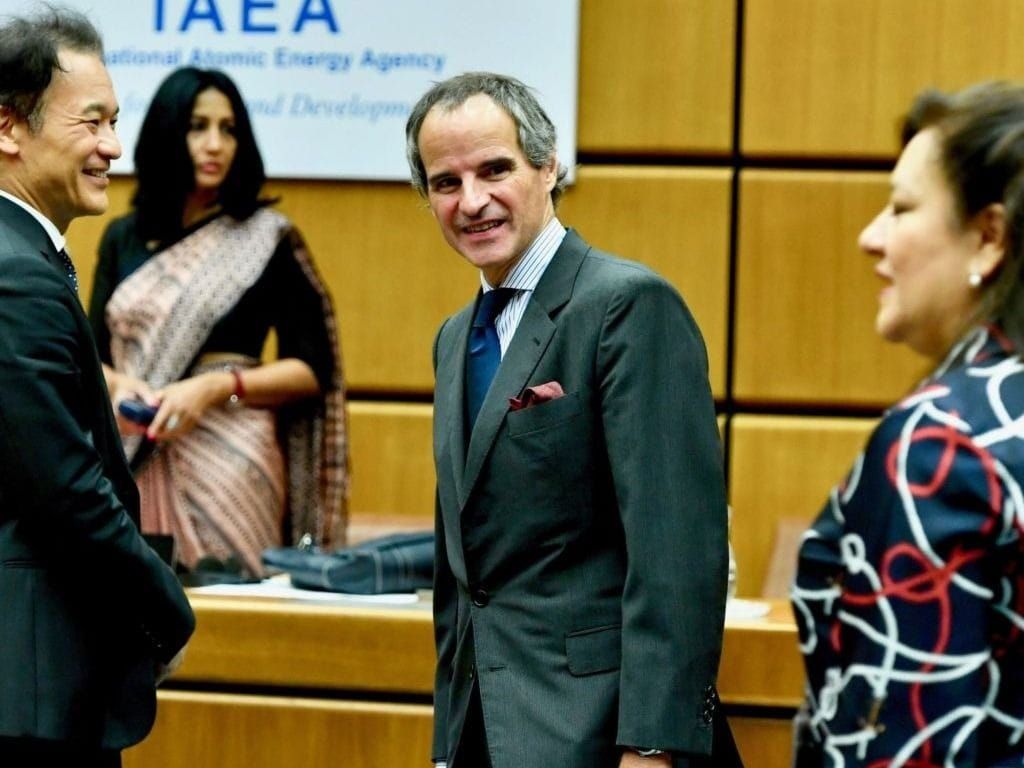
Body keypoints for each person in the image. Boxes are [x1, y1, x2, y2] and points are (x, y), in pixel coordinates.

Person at [407, 72, 739, 768]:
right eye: (446, 182)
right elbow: (462, 574)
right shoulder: (451, 337)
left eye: (495, 169)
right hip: (486, 734)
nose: (472, 201)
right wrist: (447, 744)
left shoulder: (627, 306)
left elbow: (676, 556)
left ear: (549, 162)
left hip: (604, 735)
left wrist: (653, 745)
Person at [791, 82, 1024, 766]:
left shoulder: (942, 442)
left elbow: (909, 736)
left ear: (988, 237)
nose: (871, 237)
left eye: (900, 208)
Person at [0, 7, 194, 766]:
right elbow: (65, 491)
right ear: (9, 127)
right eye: (92, 123)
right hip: (30, 695)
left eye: (116, 122)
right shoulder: (17, 275)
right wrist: (167, 611)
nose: (113, 147)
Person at [88, 67, 348, 578]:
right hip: (131, 451)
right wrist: (119, 387)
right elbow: (92, 355)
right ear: (167, 132)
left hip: (231, 460)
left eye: (229, 130)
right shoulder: (123, 237)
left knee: (227, 612)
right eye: (198, 126)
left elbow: (314, 370)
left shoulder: (266, 238)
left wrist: (212, 388)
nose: (215, 145)